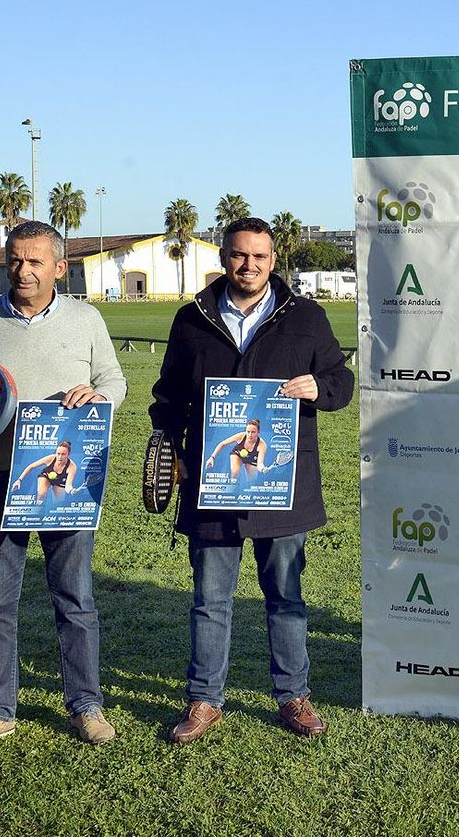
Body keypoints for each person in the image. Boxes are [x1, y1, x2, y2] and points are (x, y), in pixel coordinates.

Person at [149, 216, 354, 744]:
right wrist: (169, 447)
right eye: (240, 255)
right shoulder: (191, 319)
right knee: (209, 599)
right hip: (212, 484)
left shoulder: (306, 317)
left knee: (285, 596)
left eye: (259, 257)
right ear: (223, 257)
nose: (249, 265)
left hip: (282, 486)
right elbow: (168, 396)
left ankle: (294, 696)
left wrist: (318, 389)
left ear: (273, 260)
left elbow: (341, 381)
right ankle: (203, 700)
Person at [0, 221, 127, 754]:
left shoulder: (87, 319)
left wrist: (98, 394)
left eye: (36, 261)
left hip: (68, 485)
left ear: (60, 268)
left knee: (76, 598)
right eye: (16, 260)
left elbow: (116, 381)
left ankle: (86, 706)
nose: (23, 270)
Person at [13, 440, 78, 503]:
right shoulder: (50, 458)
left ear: (68, 454)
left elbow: (68, 486)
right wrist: (19, 480)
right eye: (58, 453)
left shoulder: (72, 467)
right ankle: (37, 509)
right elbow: (31, 466)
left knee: (58, 502)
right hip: (46, 476)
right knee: (41, 494)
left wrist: (71, 491)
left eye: (63, 454)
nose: (60, 456)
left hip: (60, 481)